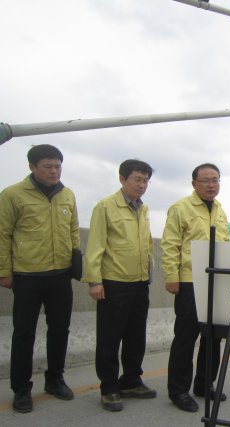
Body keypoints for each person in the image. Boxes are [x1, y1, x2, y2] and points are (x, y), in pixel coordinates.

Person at [0, 144, 80, 413]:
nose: (54, 171)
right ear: (32, 167)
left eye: (58, 166)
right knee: (24, 333)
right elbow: (2, 235)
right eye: (48, 166)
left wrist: (75, 261)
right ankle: (21, 389)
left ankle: (55, 379)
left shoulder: (67, 194)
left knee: (60, 330)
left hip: (61, 275)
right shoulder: (12, 195)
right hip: (27, 276)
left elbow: (73, 232)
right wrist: (4, 271)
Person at [82, 159, 156, 412]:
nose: (142, 185)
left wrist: (149, 275)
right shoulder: (105, 207)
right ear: (122, 179)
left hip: (139, 282)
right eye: (137, 179)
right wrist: (94, 281)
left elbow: (147, 245)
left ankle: (131, 381)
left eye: (146, 180)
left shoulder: (143, 209)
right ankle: (109, 387)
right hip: (114, 283)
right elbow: (94, 247)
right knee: (110, 338)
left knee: (136, 336)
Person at [161, 163, 230, 413]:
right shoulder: (181, 208)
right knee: (186, 337)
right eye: (206, 180)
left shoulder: (220, 210)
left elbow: (224, 244)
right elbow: (170, 244)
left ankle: (204, 383)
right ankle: (178, 390)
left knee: (213, 336)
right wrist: (172, 276)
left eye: (216, 180)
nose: (212, 185)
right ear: (194, 184)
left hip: (216, 280)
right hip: (190, 280)